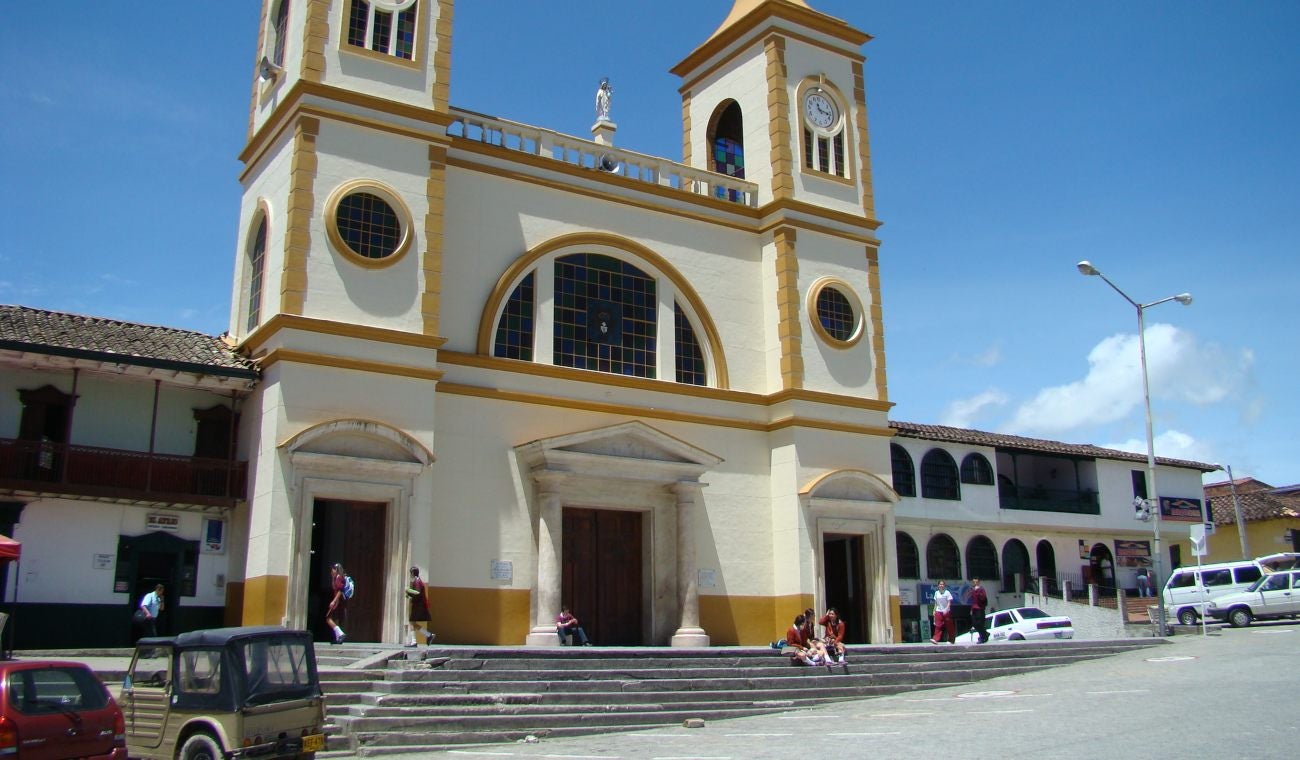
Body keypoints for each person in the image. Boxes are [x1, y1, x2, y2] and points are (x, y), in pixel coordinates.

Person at [406, 566, 435, 646]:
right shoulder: (418, 581)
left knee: (412, 622)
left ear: (412, 573)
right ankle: (428, 635)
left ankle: (414, 641)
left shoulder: (417, 582)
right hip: (419, 605)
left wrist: (408, 591)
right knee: (413, 623)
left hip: (418, 605)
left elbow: (417, 593)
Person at [326, 563, 348, 645]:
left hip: (337, 601)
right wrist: (332, 578)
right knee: (335, 618)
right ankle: (338, 637)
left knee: (328, 618)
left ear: (336, 570)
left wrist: (334, 601)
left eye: (332, 569)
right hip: (338, 601)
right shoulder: (336, 578)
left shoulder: (339, 578)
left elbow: (340, 590)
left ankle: (341, 634)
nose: (331, 571)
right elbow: (334, 587)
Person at [931, 580, 955, 644]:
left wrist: (946, 609)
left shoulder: (947, 592)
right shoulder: (936, 593)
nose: (941, 585)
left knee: (949, 626)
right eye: (940, 584)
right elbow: (936, 603)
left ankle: (951, 639)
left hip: (946, 611)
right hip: (938, 611)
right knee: (938, 625)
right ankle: (935, 639)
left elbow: (949, 602)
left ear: (944, 585)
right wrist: (934, 610)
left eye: (942, 584)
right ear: (938, 585)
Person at [969, 577, 989, 644]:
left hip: (980, 609)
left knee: (980, 624)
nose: (975, 583)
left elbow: (983, 598)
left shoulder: (981, 589)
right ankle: (985, 634)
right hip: (974, 609)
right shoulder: (972, 589)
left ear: (979, 582)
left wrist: (977, 591)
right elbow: (972, 600)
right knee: (974, 624)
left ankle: (982, 637)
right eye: (974, 582)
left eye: (976, 582)